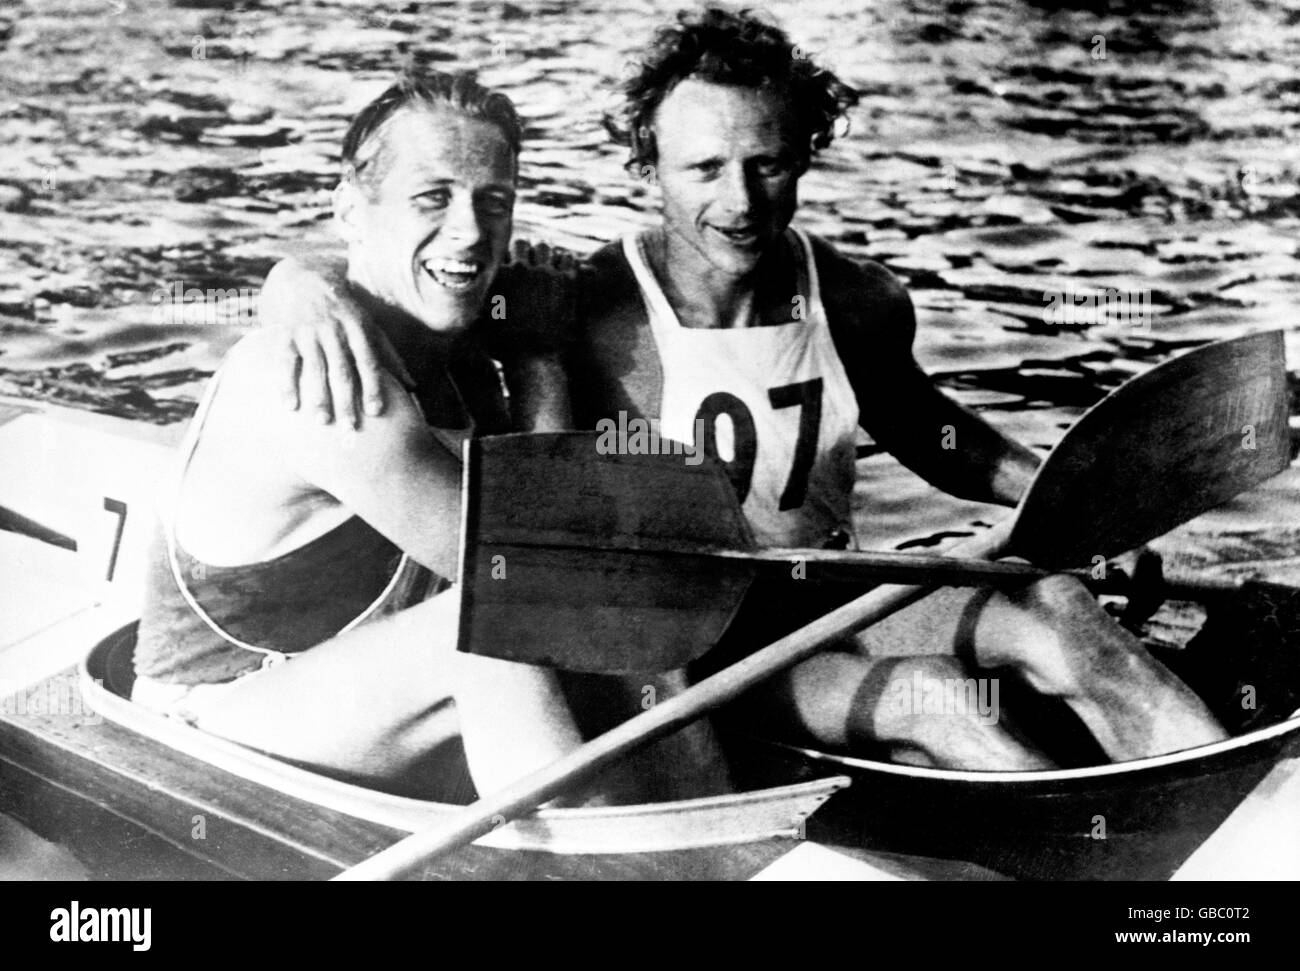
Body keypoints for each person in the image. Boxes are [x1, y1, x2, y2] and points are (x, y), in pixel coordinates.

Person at [258, 9, 1226, 770]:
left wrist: (1078, 503)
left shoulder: (852, 295)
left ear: (803, 154)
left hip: (830, 591)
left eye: (766, 165)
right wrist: (294, 280)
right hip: (692, 635)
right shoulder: (589, 300)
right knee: (933, 695)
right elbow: (418, 272)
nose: (738, 201)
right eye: (704, 170)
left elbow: (932, 435)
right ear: (649, 169)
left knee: (1059, 608)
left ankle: (1226, 819)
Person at [132, 66, 729, 803]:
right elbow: (543, 583)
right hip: (207, 724)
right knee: (488, 631)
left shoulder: (448, 336)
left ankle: (703, 827)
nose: (471, 232)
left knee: (619, 617)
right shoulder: (323, 376)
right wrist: (541, 357)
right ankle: (607, 854)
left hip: (349, 693)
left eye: (494, 202)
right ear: (351, 208)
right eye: (432, 198)